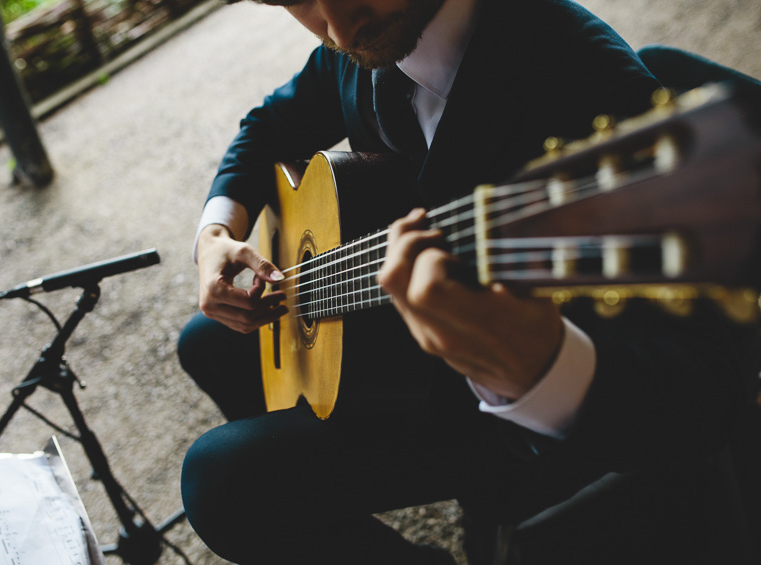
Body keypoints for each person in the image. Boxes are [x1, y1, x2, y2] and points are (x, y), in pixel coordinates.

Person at [178, 1, 749, 563]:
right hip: (396, 335)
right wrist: (216, 232)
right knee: (206, 340)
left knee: (222, 481)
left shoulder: (591, 82)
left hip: (515, 419)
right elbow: (268, 124)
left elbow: (711, 389)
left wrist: (537, 365)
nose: (339, 26)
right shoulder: (364, 40)